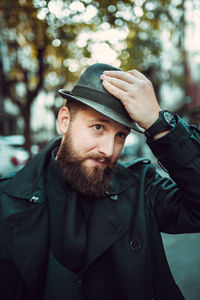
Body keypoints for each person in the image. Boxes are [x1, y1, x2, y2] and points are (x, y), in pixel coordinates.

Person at [0, 63, 200, 300]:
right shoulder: (5, 200)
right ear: (65, 121)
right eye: (98, 127)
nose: (108, 149)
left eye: (120, 136)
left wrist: (161, 124)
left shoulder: (141, 186)